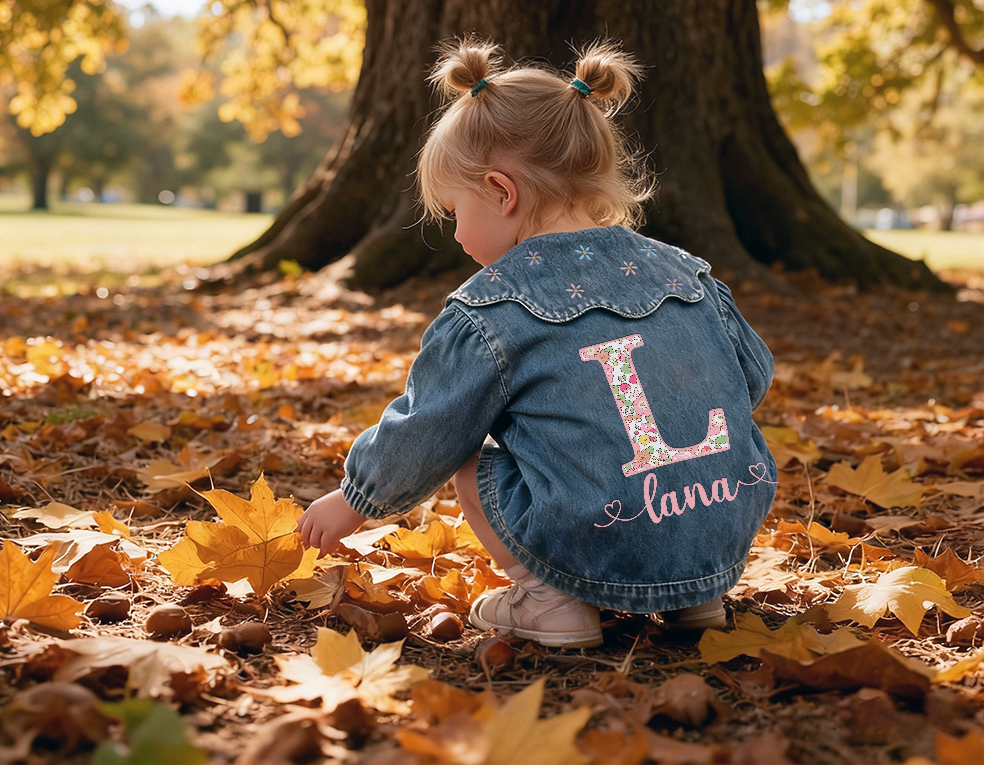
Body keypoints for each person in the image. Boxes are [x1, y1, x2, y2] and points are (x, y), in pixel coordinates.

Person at [297, 36, 777, 648]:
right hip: (722, 521)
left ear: (502, 192)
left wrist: (354, 500)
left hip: (594, 536)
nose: (458, 234)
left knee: (466, 445)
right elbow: (751, 376)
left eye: (455, 212)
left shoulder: (489, 307)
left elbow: (426, 430)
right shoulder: (686, 271)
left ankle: (550, 599)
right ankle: (697, 598)